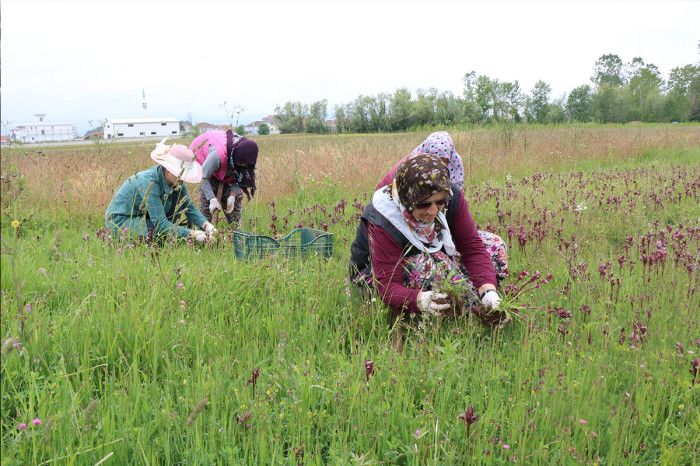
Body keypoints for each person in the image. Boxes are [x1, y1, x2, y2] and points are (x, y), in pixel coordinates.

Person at [349, 153, 508, 346]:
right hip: (375, 275)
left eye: (439, 202)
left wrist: (488, 289)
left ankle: (483, 299)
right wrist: (419, 299)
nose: (433, 211)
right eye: (424, 204)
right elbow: (386, 285)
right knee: (429, 266)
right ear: (406, 199)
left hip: (430, 254)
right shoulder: (383, 218)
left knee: (493, 244)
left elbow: (472, 246)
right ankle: (467, 310)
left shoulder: (451, 197)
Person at [105, 138, 216, 243]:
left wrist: (207, 225)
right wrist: (193, 234)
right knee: (157, 232)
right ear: (167, 170)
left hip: (144, 217)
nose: (183, 179)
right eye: (180, 174)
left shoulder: (177, 182)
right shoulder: (149, 183)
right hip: (122, 221)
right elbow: (160, 224)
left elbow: (189, 208)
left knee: (174, 210)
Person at [189, 130, 258, 229]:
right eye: (241, 163)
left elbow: (239, 179)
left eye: (246, 164)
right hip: (202, 162)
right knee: (207, 203)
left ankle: (236, 232)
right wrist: (212, 199)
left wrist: (232, 197)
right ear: (235, 156)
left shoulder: (245, 155)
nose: (244, 165)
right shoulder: (217, 156)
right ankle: (206, 234)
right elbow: (202, 178)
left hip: (224, 164)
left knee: (235, 199)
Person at [376, 131, 465, 192]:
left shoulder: (454, 164)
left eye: (444, 161)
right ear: (426, 154)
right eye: (434, 160)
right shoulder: (409, 166)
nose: (439, 166)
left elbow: (455, 195)